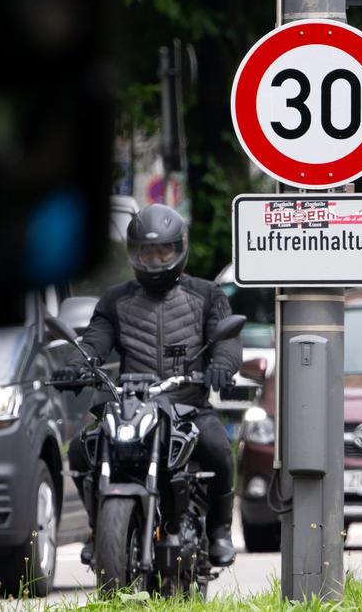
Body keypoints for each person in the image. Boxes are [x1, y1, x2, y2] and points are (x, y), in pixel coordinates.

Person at [54, 203, 241, 567]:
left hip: (188, 406)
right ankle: (99, 528)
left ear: (179, 249)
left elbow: (227, 340)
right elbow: (94, 341)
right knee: (80, 448)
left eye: (163, 251)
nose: (155, 259)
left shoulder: (207, 295)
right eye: (146, 251)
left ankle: (219, 530)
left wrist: (221, 365)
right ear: (134, 252)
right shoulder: (115, 300)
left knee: (218, 446)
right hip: (132, 404)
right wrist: (75, 366)